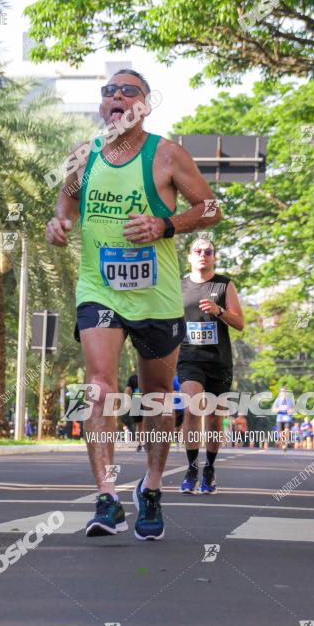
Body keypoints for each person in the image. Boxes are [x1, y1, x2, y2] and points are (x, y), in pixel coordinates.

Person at [46, 68, 221, 539]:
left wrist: (164, 226)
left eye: (129, 91)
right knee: (99, 387)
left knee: (158, 400)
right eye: (109, 92)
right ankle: (107, 497)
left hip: (157, 296)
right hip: (99, 288)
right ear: (103, 107)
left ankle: (153, 487)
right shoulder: (83, 158)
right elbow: (65, 205)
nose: (117, 97)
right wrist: (58, 226)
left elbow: (210, 208)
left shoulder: (166, 155)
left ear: (144, 106)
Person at [178, 237, 245, 495]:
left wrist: (219, 311)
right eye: (197, 250)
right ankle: (192, 466)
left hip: (218, 360)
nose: (202, 254)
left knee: (215, 420)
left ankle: (209, 469)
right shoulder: (180, 286)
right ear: (190, 256)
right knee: (193, 407)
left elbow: (240, 323)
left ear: (214, 257)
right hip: (189, 357)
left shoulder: (224, 284)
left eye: (208, 251)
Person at [272, 387, 295, 451]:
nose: (283, 392)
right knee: (281, 433)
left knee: (287, 430)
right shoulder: (277, 400)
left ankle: (286, 443)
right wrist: (278, 409)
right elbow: (273, 409)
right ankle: (283, 445)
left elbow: (294, 409)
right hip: (280, 418)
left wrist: (291, 411)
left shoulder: (290, 400)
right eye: (282, 391)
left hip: (287, 418)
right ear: (280, 393)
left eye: (284, 391)